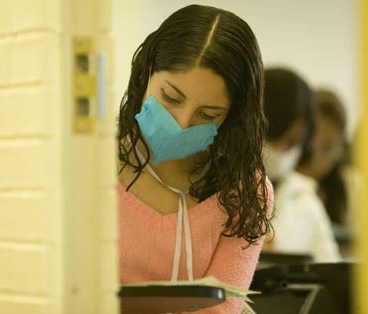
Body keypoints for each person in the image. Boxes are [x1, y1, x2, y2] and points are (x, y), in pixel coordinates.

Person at [116, 5, 274, 313]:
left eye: (208, 114)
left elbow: (222, 310)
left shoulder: (245, 192)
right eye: (171, 98)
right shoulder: (89, 165)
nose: (182, 123)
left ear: (232, 117)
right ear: (145, 73)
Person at [262, 68, 341, 262]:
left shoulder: (306, 200)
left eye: (292, 143)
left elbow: (331, 272)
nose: (281, 151)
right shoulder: (212, 186)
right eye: (275, 137)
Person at [296, 89, 359, 258]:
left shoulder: (354, 189)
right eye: (309, 144)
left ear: (341, 149)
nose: (315, 157)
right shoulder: (281, 186)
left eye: (327, 147)